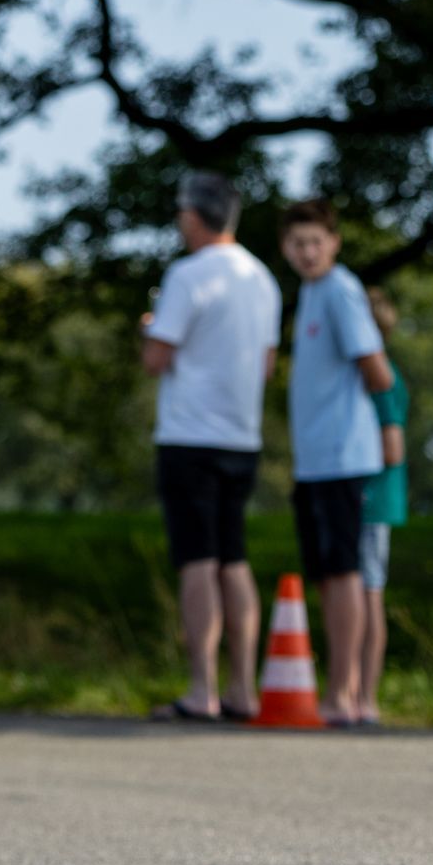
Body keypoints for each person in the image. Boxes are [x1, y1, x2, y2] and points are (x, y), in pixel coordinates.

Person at [141, 171, 281, 722]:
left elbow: (157, 358)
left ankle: (203, 689)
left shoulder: (187, 274)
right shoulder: (263, 278)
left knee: (197, 561)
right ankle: (244, 689)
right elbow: (266, 365)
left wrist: (150, 328)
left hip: (189, 434)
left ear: (194, 217)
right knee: (234, 558)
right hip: (241, 435)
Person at [278, 199, 393, 729]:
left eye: (314, 242)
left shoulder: (342, 291)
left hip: (344, 456)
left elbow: (377, 369)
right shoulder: (308, 293)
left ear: (334, 242)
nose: (306, 252)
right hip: (313, 462)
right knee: (325, 573)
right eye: (297, 243)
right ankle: (336, 686)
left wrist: (364, 422)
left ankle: (344, 691)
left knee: (346, 572)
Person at [359, 286, 410, 727]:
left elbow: (392, 447)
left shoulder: (381, 379)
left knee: (369, 593)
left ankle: (365, 696)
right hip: (365, 499)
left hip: (371, 500)